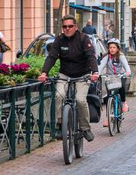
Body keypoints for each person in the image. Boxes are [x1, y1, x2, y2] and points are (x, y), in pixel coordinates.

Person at [39, 15, 99, 143]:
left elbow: (91, 56)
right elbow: (51, 57)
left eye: (70, 26)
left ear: (75, 27)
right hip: (65, 75)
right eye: (65, 26)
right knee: (59, 96)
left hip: (83, 75)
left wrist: (95, 71)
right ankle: (61, 125)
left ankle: (85, 128)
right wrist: (44, 72)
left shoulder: (84, 38)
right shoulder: (59, 40)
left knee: (80, 100)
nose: (67, 29)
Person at [98, 38, 131, 124]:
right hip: (110, 78)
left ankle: (123, 103)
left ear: (118, 48)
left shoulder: (121, 56)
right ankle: (108, 118)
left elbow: (126, 66)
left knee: (121, 88)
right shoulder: (106, 57)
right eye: (110, 47)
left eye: (114, 47)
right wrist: (97, 73)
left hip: (120, 76)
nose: (112, 49)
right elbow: (101, 66)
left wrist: (127, 72)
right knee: (109, 96)